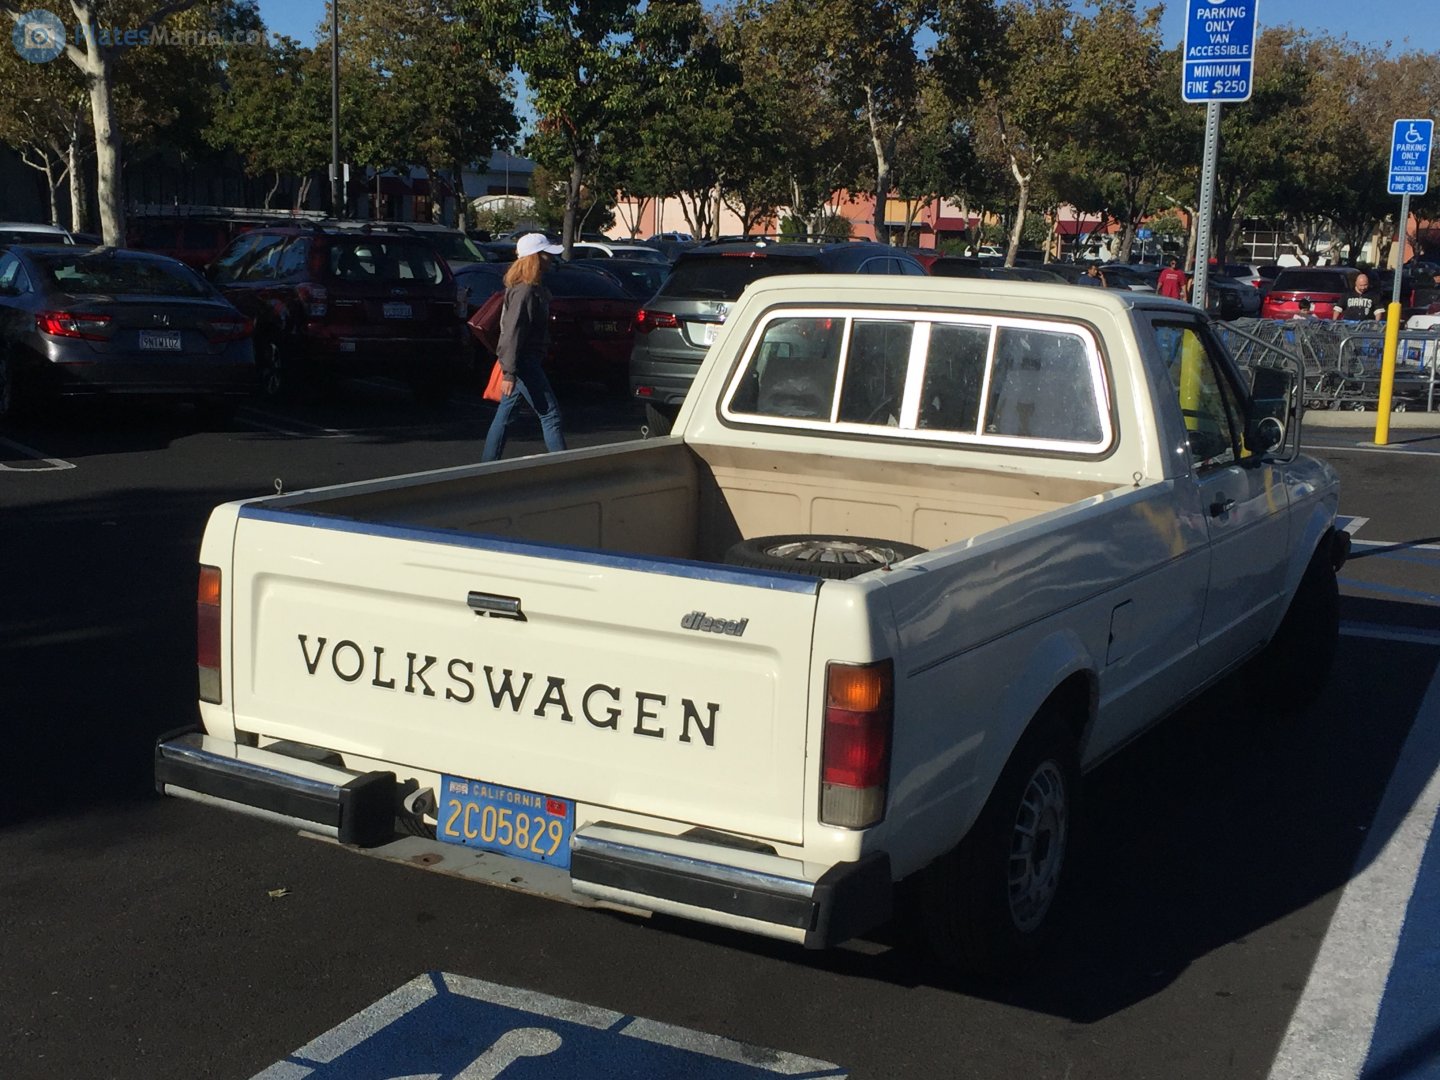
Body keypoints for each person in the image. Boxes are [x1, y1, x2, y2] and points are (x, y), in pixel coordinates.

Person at [481, 233, 569, 462]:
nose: (551, 259)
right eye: (546, 254)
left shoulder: (528, 289)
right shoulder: (525, 292)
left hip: (521, 361)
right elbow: (513, 333)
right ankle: (564, 467)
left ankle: (486, 466)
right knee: (550, 415)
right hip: (524, 362)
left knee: (505, 415)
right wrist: (509, 372)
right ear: (534, 258)